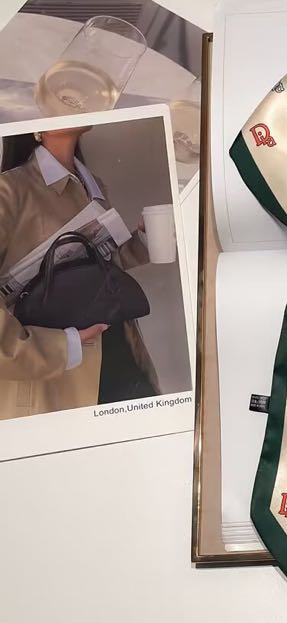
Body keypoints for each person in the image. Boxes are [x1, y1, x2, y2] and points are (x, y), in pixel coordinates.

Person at [0, 126, 158, 420]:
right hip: (57, 385)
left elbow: (94, 272)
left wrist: (143, 242)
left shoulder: (92, 185)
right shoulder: (9, 190)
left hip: (121, 353)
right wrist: (62, 346)